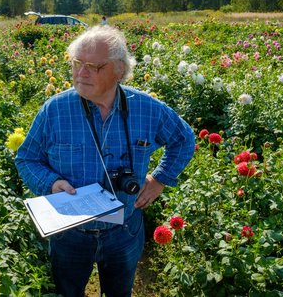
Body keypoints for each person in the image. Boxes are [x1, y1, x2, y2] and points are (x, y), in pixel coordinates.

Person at [15, 25, 195, 297]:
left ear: (119, 69)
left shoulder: (146, 109)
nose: (81, 73)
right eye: (77, 63)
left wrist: (159, 180)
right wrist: (52, 184)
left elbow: (184, 139)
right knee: (68, 291)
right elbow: (27, 158)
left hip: (124, 229)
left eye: (93, 66)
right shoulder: (55, 110)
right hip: (70, 234)